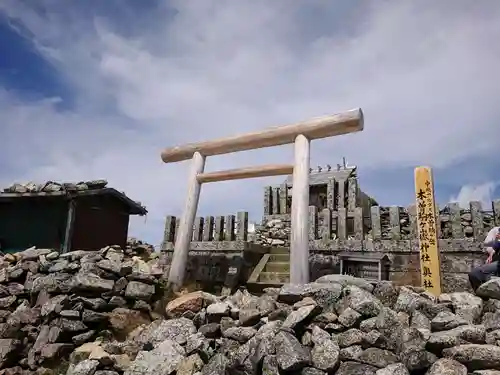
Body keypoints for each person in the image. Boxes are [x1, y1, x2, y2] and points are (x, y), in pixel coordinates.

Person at [468, 226, 500, 292]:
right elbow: (488, 245)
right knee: (475, 274)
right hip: (496, 264)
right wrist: (493, 252)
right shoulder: (496, 230)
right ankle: (484, 297)